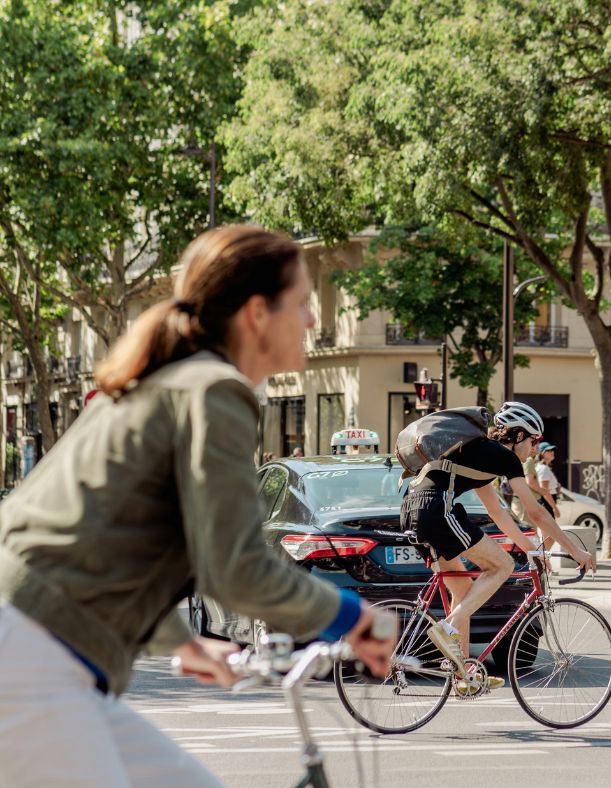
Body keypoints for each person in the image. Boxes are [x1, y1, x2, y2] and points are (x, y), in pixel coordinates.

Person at [0, 226, 396, 787]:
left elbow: (101, 542)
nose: (312, 320)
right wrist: (353, 618)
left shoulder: (172, 382)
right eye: (304, 302)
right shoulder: (214, 391)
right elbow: (234, 569)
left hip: (38, 648)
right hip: (31, 659)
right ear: (257, 313)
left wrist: (180, 641)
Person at [401, 401, 595, 690]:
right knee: (502, 565)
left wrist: (531, 547)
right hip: (437, 510)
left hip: (412, 509)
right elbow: (536, 511)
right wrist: (575, 551)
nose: (533, 450)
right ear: (517, 436)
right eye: (532, 441)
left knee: (462, 591)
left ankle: (463, 675)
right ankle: (447, 627)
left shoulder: (478, 453)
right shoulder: (504, 457)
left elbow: (496, 511)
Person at [536, 441, 562, 518]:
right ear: (542, 453)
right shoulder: (543, 469)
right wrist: (555, 507)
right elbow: (545, 491)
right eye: (548, 450)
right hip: (547, 504)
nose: (552, 452)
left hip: (547, 503)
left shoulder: (544, 468)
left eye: (552, 450)